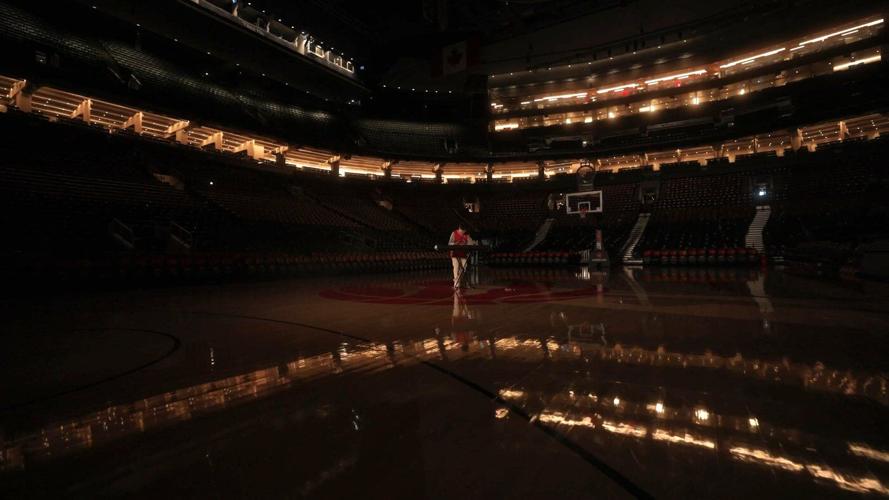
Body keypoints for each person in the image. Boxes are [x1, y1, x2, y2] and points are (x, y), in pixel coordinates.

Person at [448, 224, 473, 289]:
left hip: (463, 254)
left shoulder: (466, 235)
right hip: (455, 254)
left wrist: (468, 242)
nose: (462, 232)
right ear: (459, 228)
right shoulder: (454, 233)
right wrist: (455, 244)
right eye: (461, 231)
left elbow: (470, 244)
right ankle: (456, 283)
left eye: (463, 231)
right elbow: (450, 243)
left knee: (464, 268)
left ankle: (463, 281)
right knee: (456, 268)